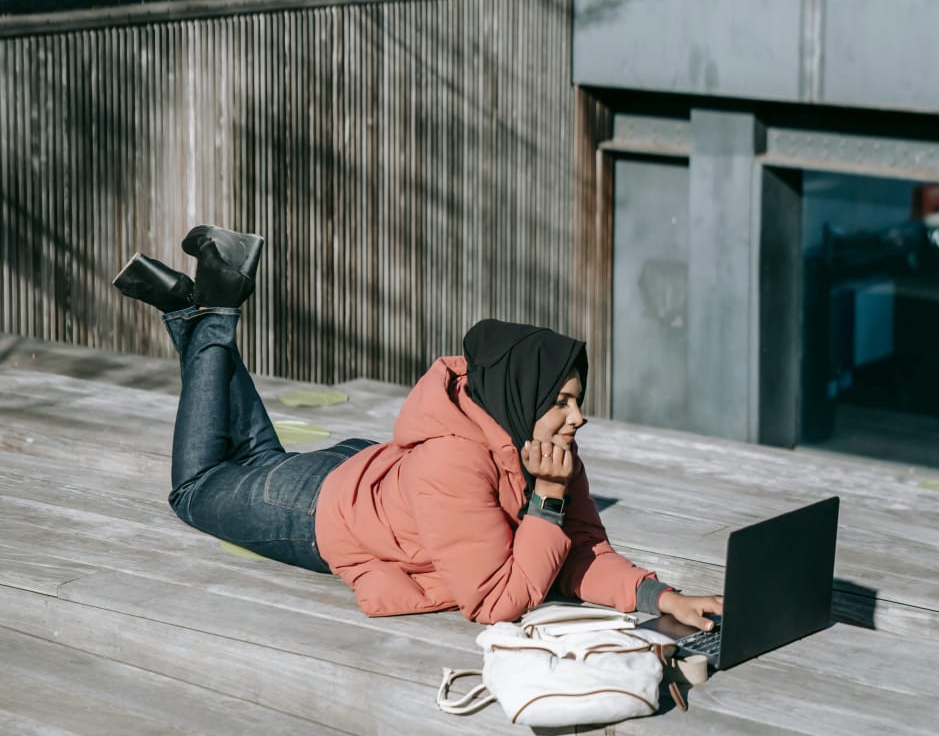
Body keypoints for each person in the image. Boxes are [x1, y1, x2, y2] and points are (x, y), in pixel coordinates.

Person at [115, 225, 723, 629]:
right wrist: (548, 499)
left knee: (250, 451)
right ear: (522, 395)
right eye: (562, 401)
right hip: (316, 511)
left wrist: (662, 597)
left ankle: (190, 310)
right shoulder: (464, 460)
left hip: (370, 482)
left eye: (577, 401)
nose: (578, 416)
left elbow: (579, 552)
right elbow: (494, 602)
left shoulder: (543, 449)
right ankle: (209, 311)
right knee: (197, 488)